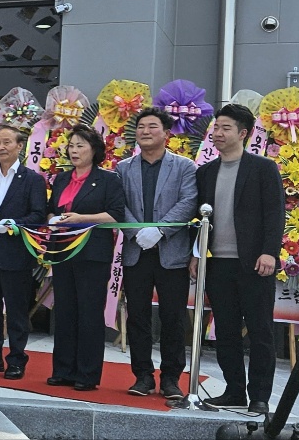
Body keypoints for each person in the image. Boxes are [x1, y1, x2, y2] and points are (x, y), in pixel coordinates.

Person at [194, 103, 284, 415]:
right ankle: (234, 391)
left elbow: (275, 214)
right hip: (218, 263)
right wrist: (196, 255)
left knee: (260, 331)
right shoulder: (206, 172)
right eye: (216, 127)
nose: (217, 133)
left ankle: (259, 396)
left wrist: (270, 252)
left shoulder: (262, 168)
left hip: (254, 263)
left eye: (225, 128)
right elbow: (199, 219)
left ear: (243, 133)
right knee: (226, 331)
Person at [118, 107, 198, 399]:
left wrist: (160, 230)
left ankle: (171, 379)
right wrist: (137, 232)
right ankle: (142, 376)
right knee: (137, 316)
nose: (145, 131)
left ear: (166, 133)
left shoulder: (184, 167)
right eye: (141, 127)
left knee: (173, 317)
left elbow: (189, 202)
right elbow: (118, 204)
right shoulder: (123, 168)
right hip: (136, 251)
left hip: (172, 253)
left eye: (152, 126)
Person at [44, 126, 126, 391]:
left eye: (80, 145)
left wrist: (82, 219)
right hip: (62, 250)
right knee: (65, 310)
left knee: (89, 312)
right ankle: (63, 370)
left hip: (92, 253)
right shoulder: (61, 179)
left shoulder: (108, 180)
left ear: (94, 150)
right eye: (71, 145)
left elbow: (116, 214)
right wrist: (52, 220)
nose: (74, 150)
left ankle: (87, 374)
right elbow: (50, 210)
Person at [0, 121, 48, 380]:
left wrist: (14, 224)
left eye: (7, 142)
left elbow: (38, 215)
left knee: (16, 311)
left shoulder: (32, 179)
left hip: (15, 254)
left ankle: (16, 360)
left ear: (19, 146)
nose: (1, 147)